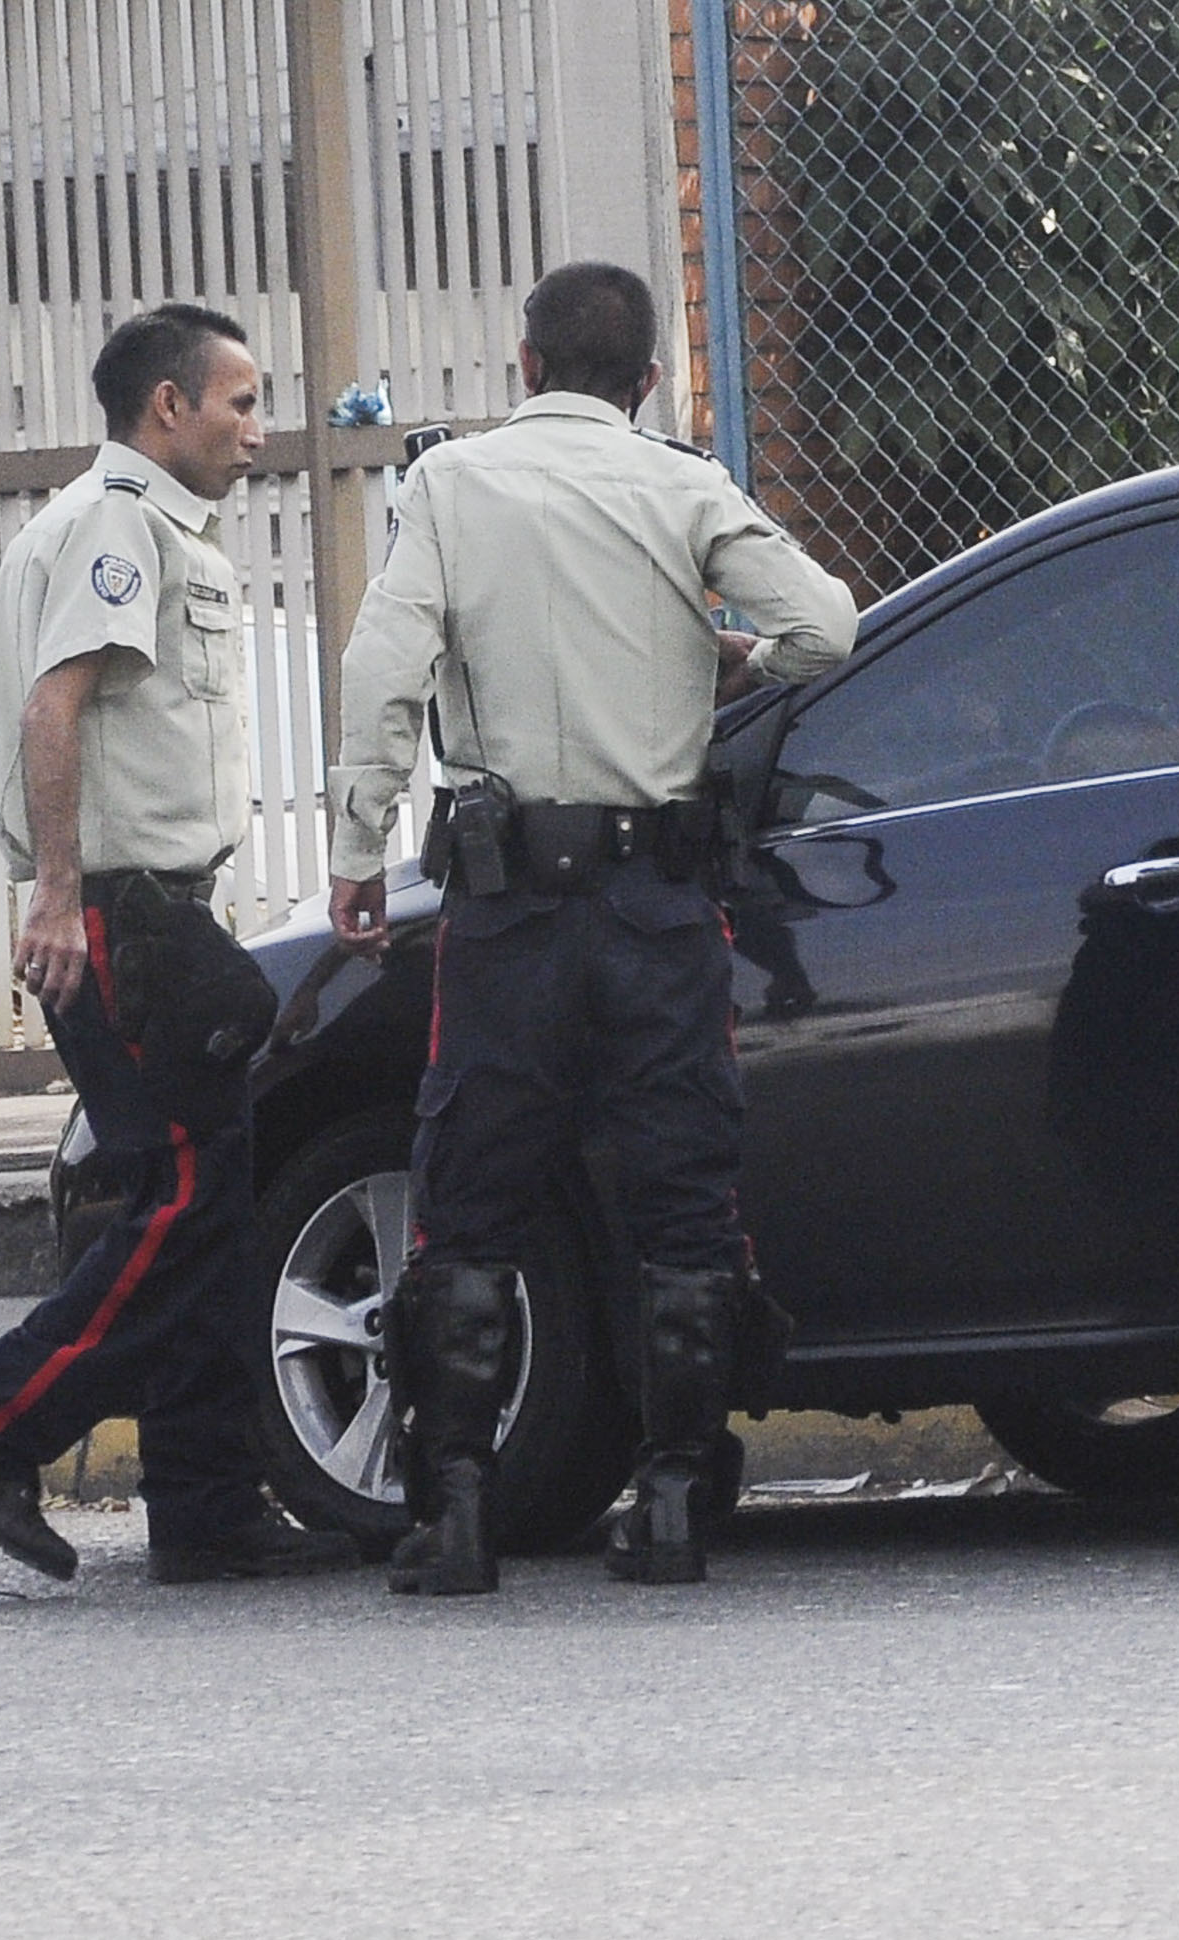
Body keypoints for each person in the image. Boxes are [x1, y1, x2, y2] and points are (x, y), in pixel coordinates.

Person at [327, 262, 855, 1594]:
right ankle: (672, 1505)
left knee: (469, 1205)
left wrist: (355, 851)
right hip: (657, 911)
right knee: (683, 1206)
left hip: (505, 918)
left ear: (521, 367)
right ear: (650, 381)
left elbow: (387, 669)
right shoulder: (681, 487)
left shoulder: (448, 486)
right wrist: (734, 662)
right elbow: (827, 628)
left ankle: (450, 1518)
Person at [0, 306, 357, 1588]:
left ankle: (205, 1504)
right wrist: (56, 895)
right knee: (184, 1204)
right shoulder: (116, 527)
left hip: (151, 908)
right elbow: (59, 707)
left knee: (199, 1200)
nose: (258, 430)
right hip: (123, 913)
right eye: (240, 401)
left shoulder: (125, 524)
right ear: (169, 407)